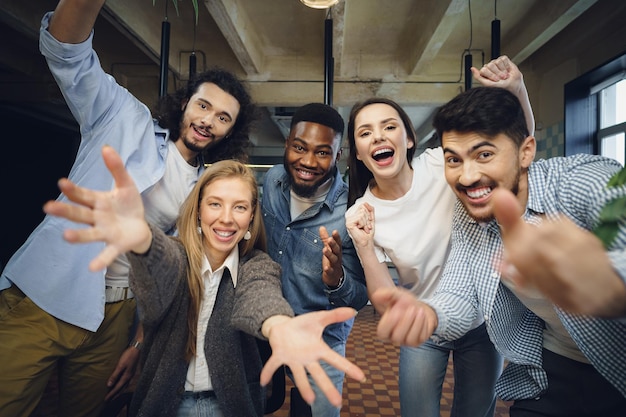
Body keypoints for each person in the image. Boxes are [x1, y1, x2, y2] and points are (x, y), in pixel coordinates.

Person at [0, 0, 255, 416]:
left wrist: (138, 342)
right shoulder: (123, 117)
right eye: (203, 105)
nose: (209, 120)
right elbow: (67, 52)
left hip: (115, 316)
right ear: (186, 102)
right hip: (44, 296)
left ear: (232, 131)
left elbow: (174, 275)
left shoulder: (205, 190)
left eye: (223, 117)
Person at [42, 146, 366, 417]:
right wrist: (142, 238)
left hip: (231, 406)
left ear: (252, 218)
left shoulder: (257, 265)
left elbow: (260, 298)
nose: (226, 218)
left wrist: (279, 326)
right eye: (215, 204)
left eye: (239, 207)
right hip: (164, 405)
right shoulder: (175, 255)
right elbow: (161, 270)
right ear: (198, 211)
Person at [371, 86, 626, 417]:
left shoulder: (582, 181)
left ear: (525, 151)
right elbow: (460, 292)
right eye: (453, 159)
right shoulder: (469, 213)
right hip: (551, 370)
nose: (467, 176)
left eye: (484, 154)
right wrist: (430, 314)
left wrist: (610, 282)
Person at [344, 55, 532, 417]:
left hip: (482, 321)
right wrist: (365, 246)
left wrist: (517, 91)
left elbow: (511, 152)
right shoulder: (364, 213)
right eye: (365, 132)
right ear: (359, 153)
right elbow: (385, 304)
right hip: (424, 325)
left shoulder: (441, 164)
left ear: (409, 138)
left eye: (389, 127)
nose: (378, 136)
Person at [261, 102, 369, 417]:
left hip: (321, 339)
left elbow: (360, 298)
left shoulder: (350, 212)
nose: (308, 161)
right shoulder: (273, 181)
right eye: (299, 148)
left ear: (337, 156)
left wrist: (337, 280)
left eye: (322, 152)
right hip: (267, 323)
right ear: (287, 144)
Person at [493, 188, 626, 318]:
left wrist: (608, 284)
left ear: (524, 163)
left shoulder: (582, 186)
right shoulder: (479, 222)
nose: (471, 178)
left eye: (484, 163)